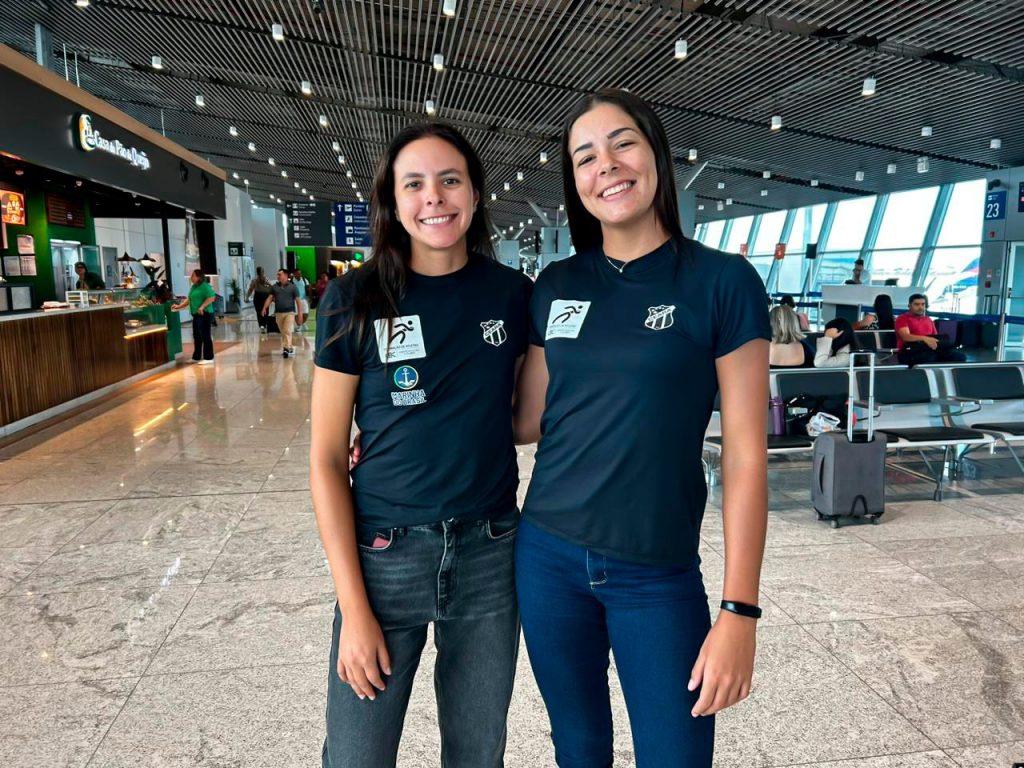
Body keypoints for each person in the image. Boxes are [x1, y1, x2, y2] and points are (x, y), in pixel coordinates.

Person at [512, 89, 770, 767]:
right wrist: (391, 423)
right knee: (578, 748)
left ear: (656, 154)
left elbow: (746, 454)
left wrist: (740, 610)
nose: (606, 165)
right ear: (575, 181)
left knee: (676, 754)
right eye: (585, 157)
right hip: (547, 557)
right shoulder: (555, 285)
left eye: (622, 143)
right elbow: (525, 420)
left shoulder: (721, 282)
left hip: (656, 571)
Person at [311, 123, 531, 768]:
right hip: (385, 557)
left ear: (475, 193)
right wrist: (354, 608)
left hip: (490, 551)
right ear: (392, 200)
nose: (433, 196)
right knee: (356, 755)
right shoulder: (354, 298)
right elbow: (325, 458)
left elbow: (521, 418)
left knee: (477, 753)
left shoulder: (512, 295)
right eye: (414, 183)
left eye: (450, 180)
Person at [895, 293, 966, 365]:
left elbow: (935, 337)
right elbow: (906, 337)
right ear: (909, 306)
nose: (920, 307)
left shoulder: (928, 319)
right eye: (916, 304)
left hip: (927, 350)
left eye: (923, 304)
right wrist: (925, 339)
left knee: (959, 357)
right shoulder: (902, 318)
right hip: (909, 351)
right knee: (930, 358)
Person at [171, 269, 216, 364]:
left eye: (193, 276)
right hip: (196, 315)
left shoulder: (205, 286)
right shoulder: (194, 287)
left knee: (205, 335)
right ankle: (196, 357)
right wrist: (178, 306)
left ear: (199, 277)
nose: (191, 277)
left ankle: (209, 358)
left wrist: (202, 306)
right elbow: (189, 299)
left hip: (204, 314)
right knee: (197, 336)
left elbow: (212, 297)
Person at [263, 269, 301, 357]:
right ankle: (289, 347)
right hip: (278, 313)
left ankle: (286, 349)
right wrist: (264, 307)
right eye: (277, 275)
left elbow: (298, 301)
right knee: (283, 331)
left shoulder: (293, 287)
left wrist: (300, 313)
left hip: (290, 312)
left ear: (286, 275)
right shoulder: (274, 287)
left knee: (287, 330)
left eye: (279, 274)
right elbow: (270, 298)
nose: (278, 276)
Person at [246, 266, 273, 334]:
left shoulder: (266, 279)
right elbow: (251, 289)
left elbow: (271, 287)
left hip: (265, 297)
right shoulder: (255, 280)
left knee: (266, 311)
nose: (262, 273)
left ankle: (264, 324)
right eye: (261, 272)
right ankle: (262, 325)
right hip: (258, 297)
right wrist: (247, 297)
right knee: (259, 312)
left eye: (262, 271)